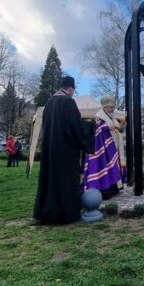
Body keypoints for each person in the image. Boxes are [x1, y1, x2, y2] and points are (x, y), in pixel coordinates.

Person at [33, 76, 94, 224]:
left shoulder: (49, 104)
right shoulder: (68, 102)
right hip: (65, 151)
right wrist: (91, 125)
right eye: (73, 90)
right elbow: (75, 127)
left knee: (51, 180)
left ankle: (47, 212)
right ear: (70, 89)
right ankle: (65, 213)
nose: (73, 93)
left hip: (50, 150)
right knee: (65, 181)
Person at [82, 95, 126, 199]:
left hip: (112, 148)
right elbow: (95, 130)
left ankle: (115, 189)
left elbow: (116, 129)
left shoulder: (112, 117)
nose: (112, 109)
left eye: (113, 107)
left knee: (113, 168)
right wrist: (106, 127)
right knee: (105, 168)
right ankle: (105, 192)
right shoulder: (99, 117)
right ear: (105, 107)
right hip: (102, 149)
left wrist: (122, 128)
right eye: (110, 107)